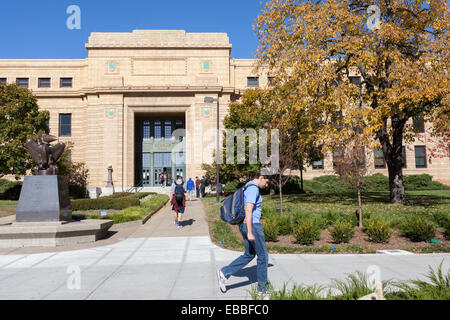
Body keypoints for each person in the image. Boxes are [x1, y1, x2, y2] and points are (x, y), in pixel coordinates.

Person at [217, 170, 270, 294]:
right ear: (262, 177)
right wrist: (250, 232)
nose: (266, 186)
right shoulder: (253, 189)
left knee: (250, 254)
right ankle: (262, 289)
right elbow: (248, 209)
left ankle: (224, 273)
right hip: (252, 225)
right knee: (263, 256)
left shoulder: (247, 186)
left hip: (244, 225)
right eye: (266, 182)